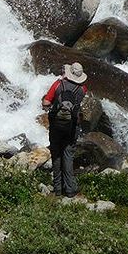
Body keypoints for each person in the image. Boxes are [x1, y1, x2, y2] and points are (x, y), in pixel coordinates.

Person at [41, 62, 88, 197]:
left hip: (56, 124)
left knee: (56, 154)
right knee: (68, 155)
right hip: (72, 126)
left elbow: (46, 103)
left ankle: (57, 188)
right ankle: (70, 189)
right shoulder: (82, 89)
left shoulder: (58, 84)